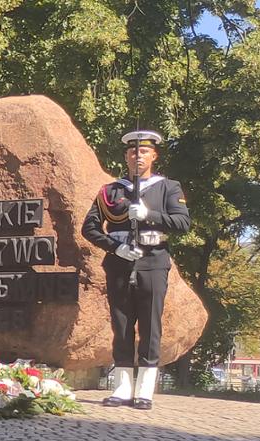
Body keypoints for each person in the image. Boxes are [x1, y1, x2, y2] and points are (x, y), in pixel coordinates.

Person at [82, 130, 192, 410]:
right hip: (119, 262)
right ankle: (121, 387)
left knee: (150, 325)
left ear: (154, 155)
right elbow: (90, 227)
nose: (137, 156)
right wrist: (114, 247)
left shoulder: (168, 188)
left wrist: (149, 215)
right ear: (126, 156)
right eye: (132, 152)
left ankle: (144, 390)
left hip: (153, 260)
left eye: (143, 151)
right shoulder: (110, 191)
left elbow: (182, 223)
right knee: (121, 325)